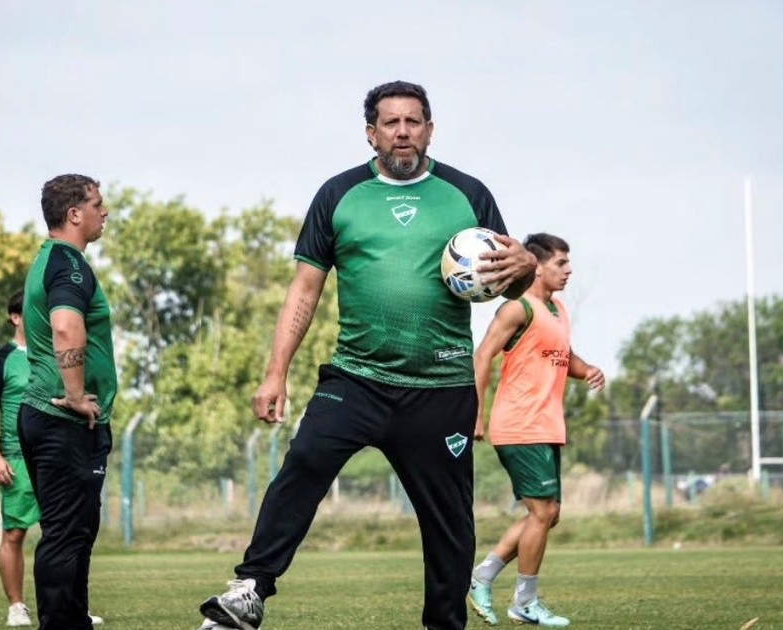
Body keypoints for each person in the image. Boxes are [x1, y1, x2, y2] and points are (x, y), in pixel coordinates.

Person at [195, 80, 537, 630]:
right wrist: (275, 373)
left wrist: (525, 271)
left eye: (413, 121)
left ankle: (444, 624)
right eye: (391, 123)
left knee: (449, 522)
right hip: (356, 379)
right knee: (304, 463)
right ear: (371, 133)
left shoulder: (468, 195)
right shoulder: (338, 194)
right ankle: (251, 588)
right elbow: (304, 290)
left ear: (429, 129)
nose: (403, 132)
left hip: (440, 386)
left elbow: (506, 280)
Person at [467, 233, 604, 628]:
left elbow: (562, 355)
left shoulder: (557, 309)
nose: (569, 270)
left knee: (548, 515)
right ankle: (524, 601)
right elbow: (482, 356)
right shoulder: (517, 309)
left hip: (546, 425)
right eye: (561, 263)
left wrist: (587, 370)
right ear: (537, 266)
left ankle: (483, 576)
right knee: (542, 512)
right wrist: (476, 415)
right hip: (519, 423)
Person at [18, 174, 116, 630]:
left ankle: (74, 621)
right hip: (62, 419)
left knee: (75, 532)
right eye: (97, 204)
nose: (105, 211)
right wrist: (76, 395)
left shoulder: (48, 259)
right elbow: (65, 326)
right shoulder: (68, 264)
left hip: (49, 417)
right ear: (74, 214)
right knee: (64, 534)